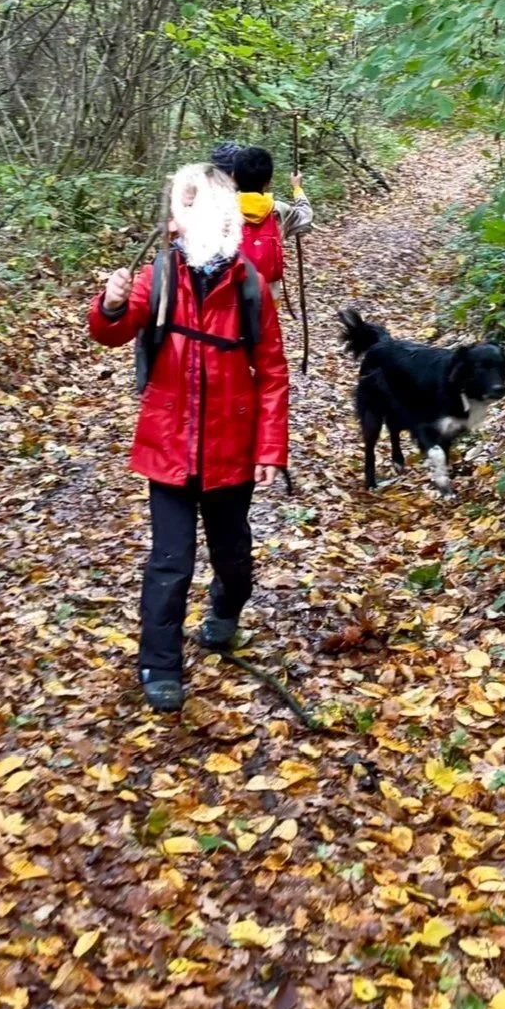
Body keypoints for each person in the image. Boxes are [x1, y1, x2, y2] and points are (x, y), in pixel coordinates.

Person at [91, 161, 289, 714]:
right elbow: (112, 330)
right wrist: (109, 303)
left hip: (231, 451)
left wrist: (271, 448)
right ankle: (160, 664)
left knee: (233, 559)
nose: (185, 224)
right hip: (168, 448)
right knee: (169, 562)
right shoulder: (157, 278)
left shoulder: (249, 287)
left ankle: (224, 615)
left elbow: (272, 373)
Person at [209, 142, 313, 295]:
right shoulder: (279, 210)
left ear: (233, 177)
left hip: (232, 299)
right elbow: (306, 214)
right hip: (268, 296)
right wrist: (297, 188)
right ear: (268, 182)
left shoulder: (218, 211)